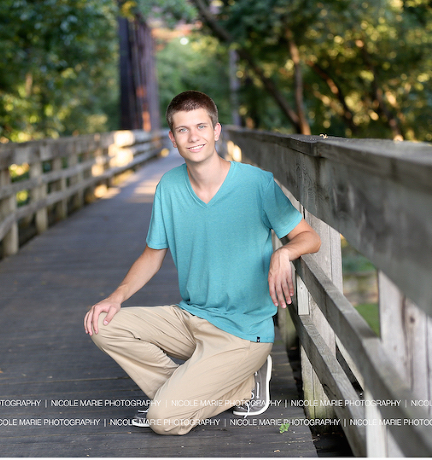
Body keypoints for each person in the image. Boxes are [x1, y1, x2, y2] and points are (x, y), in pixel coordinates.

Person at [83, 90, 321, 436]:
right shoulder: (168, 187)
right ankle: (225, 387)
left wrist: (283, 252)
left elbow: (309, 238)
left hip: (243, 333)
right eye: (183, 130)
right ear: (173, 139)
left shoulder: (256, 183)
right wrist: (115, 297)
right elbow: (152, 254)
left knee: (164, 420)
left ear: (216, 130)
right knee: (102, 323)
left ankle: (231, 384)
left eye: (200, 126)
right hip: (192, 318)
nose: (193, 136)